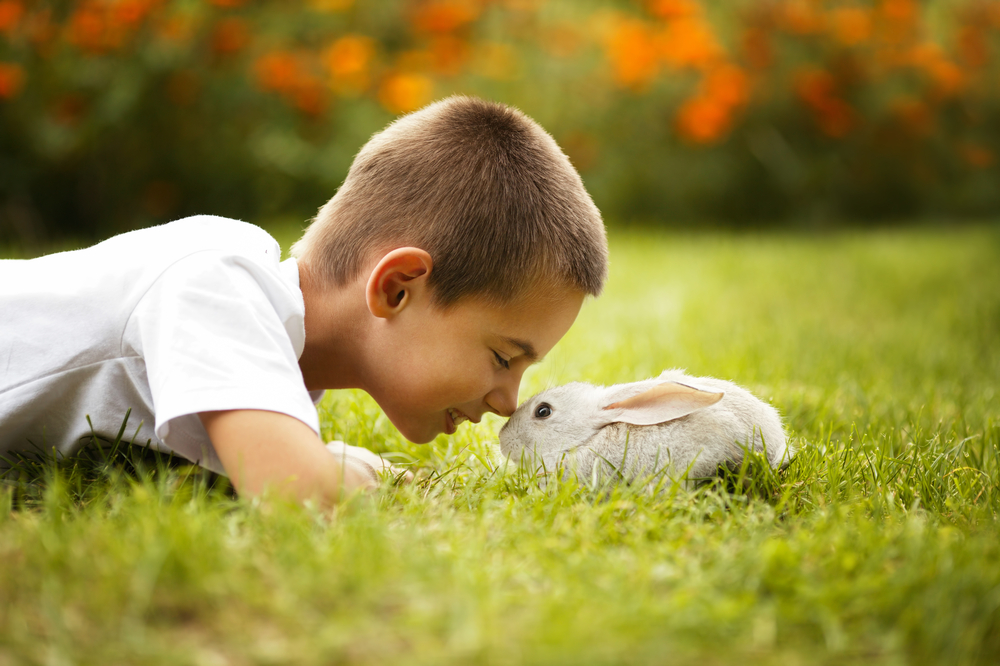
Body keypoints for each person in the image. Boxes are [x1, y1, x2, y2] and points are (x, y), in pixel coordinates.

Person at [0, 96, 608, 505]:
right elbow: (295, 493)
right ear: (396, 287)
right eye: (505, 358)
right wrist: (363, 472)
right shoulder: (217, 279)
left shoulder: (276, 367)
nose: (509, 403)